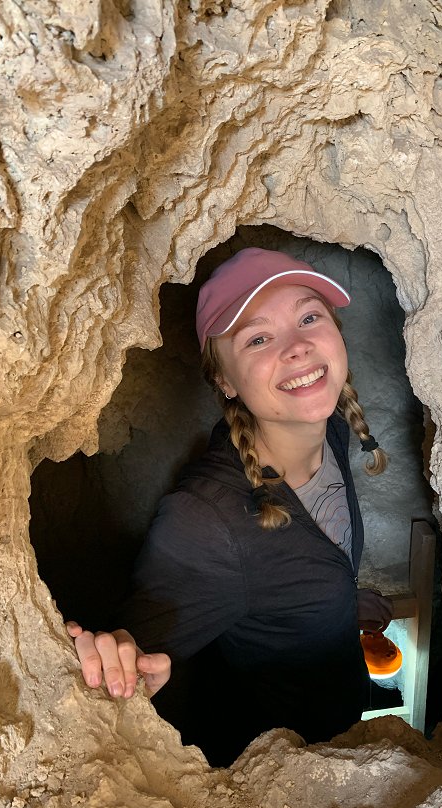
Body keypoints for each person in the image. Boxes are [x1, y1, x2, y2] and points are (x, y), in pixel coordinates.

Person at [67, 247, 392, 766]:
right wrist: (121, 658)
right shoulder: (208, 521)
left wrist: (339, 604)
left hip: (343, 716)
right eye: (259, 338)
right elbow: (141, 641)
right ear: (224, 379)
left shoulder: (327, 424)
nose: (298, 347)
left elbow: (286, 570)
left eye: (309, 316)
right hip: (280, 769)